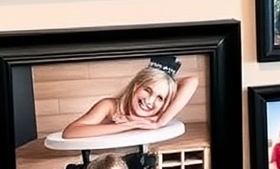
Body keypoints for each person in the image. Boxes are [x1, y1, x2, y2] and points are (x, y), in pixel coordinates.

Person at [61, 55, 198, 139]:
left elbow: (192, 81)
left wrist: (160, 121)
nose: (150, 101)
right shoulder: (109, 106)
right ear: (136, 86)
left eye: (160, 98)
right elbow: (70, 132)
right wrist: (130, 125)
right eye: (147, 90)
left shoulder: (156, 116)